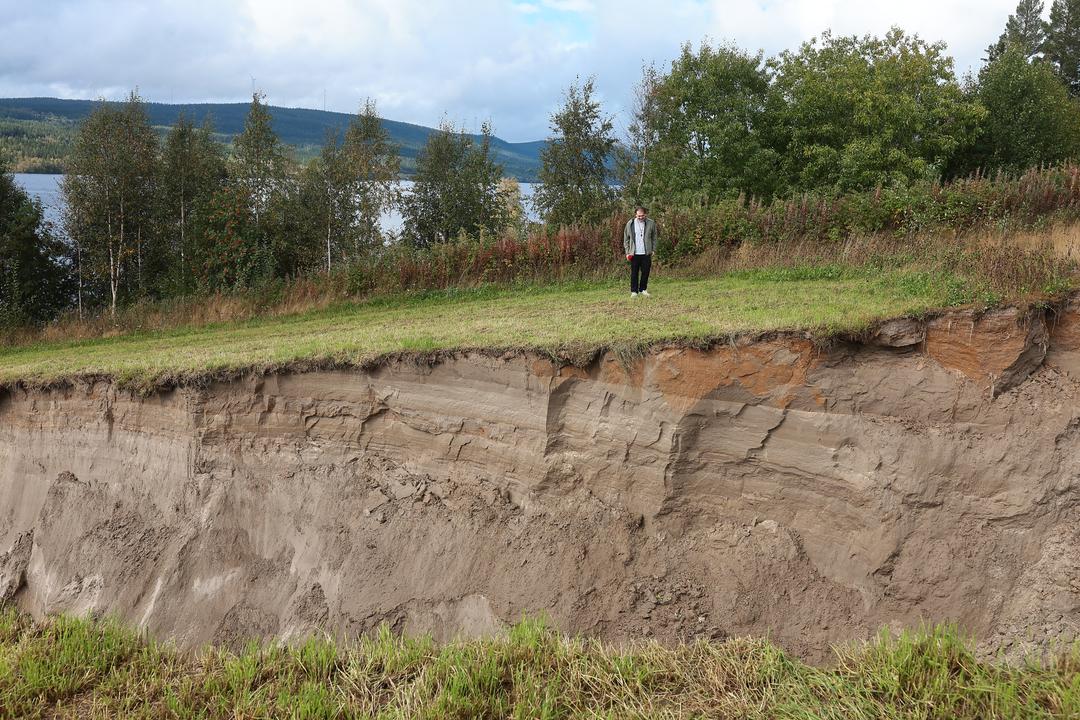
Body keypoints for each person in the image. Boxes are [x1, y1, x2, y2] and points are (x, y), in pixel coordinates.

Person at [622, 205, 657, 297]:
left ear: (645, 214)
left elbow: (654, 237)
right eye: (639, 216)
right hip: (634, 253)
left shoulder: (651, 223)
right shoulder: (630, 223)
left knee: (645, 272)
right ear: (635, 215)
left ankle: (643, 289)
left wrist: (653, 249)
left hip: (646, 252)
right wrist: (627, 252)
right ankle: (634, 291)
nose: (641, 217)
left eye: (642, 215)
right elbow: (626, 239)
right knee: (634, 273)